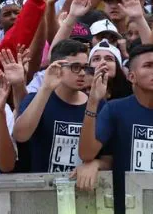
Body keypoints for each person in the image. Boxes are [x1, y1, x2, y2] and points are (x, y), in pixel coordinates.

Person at [79, 45, 153, 214]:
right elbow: (86, 153)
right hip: (127, 208)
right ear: (131, 76)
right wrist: (93, 102)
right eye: (148, 65)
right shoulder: (114, 109)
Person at [14, 40, 105, 179]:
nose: (82, 73)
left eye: (85, 67)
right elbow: (20, 135)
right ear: (56, 67)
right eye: (75, 67)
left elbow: (109, 156)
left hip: (84, 190)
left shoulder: (99, 104)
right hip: (44, 188)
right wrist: (45, 88)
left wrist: (96, 163)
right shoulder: (36, 98)